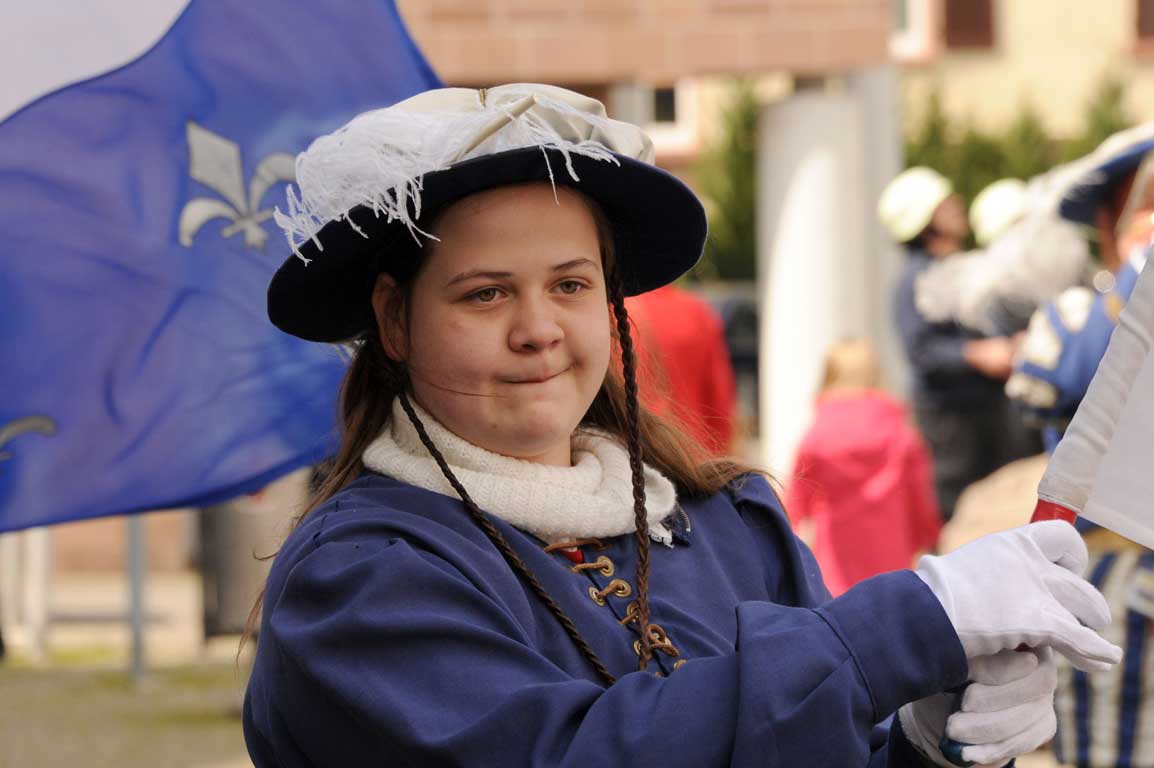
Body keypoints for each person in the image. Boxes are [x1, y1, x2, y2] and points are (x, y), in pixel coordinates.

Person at [243, 84, 1121, 767]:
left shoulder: (728, 524)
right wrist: (903, 630)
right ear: (395, 320)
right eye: (485, 293)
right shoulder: (360, 580)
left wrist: (924, 743)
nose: (539, 328)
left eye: (572, 284)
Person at [1007, 132, 1154, 768]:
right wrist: (1136, 279)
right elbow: (1061, 389)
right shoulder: (1074, 314)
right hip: (1108, 574)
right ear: (1110, 222)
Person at [880, 167, 1038, 522]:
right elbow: (922, 352)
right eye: (944, 204)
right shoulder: (914, 282)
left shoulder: (966, 269)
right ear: (922, 222)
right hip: (953, 421)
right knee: (962, 511)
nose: (956, 206)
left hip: (992, 410)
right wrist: (976, 354)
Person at [787, 339, 940, 597]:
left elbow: (795, 503)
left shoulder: (816, 435)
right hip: (891, 554)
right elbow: (919, 498)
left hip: (835, 561)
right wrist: (929, 537)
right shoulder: (900, 434)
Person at [625, 283, 736, 456]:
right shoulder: (696, 312)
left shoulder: (611, 314)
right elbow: (721, 405)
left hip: (629, 457)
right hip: (693, 457)